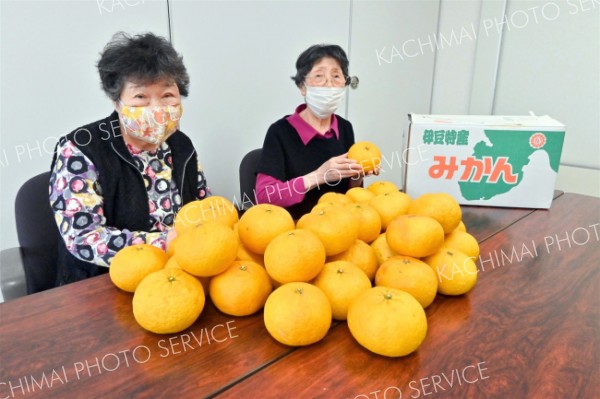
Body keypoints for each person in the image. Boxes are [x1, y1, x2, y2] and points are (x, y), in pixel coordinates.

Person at [49, 32, 208, 286]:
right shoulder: (80, 148)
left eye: (167, 95)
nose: (157, 108)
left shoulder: (182, 145)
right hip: (105, 285)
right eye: (141, 97)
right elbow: (83, 237)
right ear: (117, 101)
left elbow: (203, 208)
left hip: (177, 277)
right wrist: (164, 243)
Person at [255, 44, 375, 219]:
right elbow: (264, 197)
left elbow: (350, 194)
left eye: (336, 76)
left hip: (340, 226)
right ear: (302, 86)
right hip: (296, 231)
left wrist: (357, 177)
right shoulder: (280, 132)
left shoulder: (345, 128)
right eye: (319, 76)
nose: (329, 83)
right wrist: (319, 176)